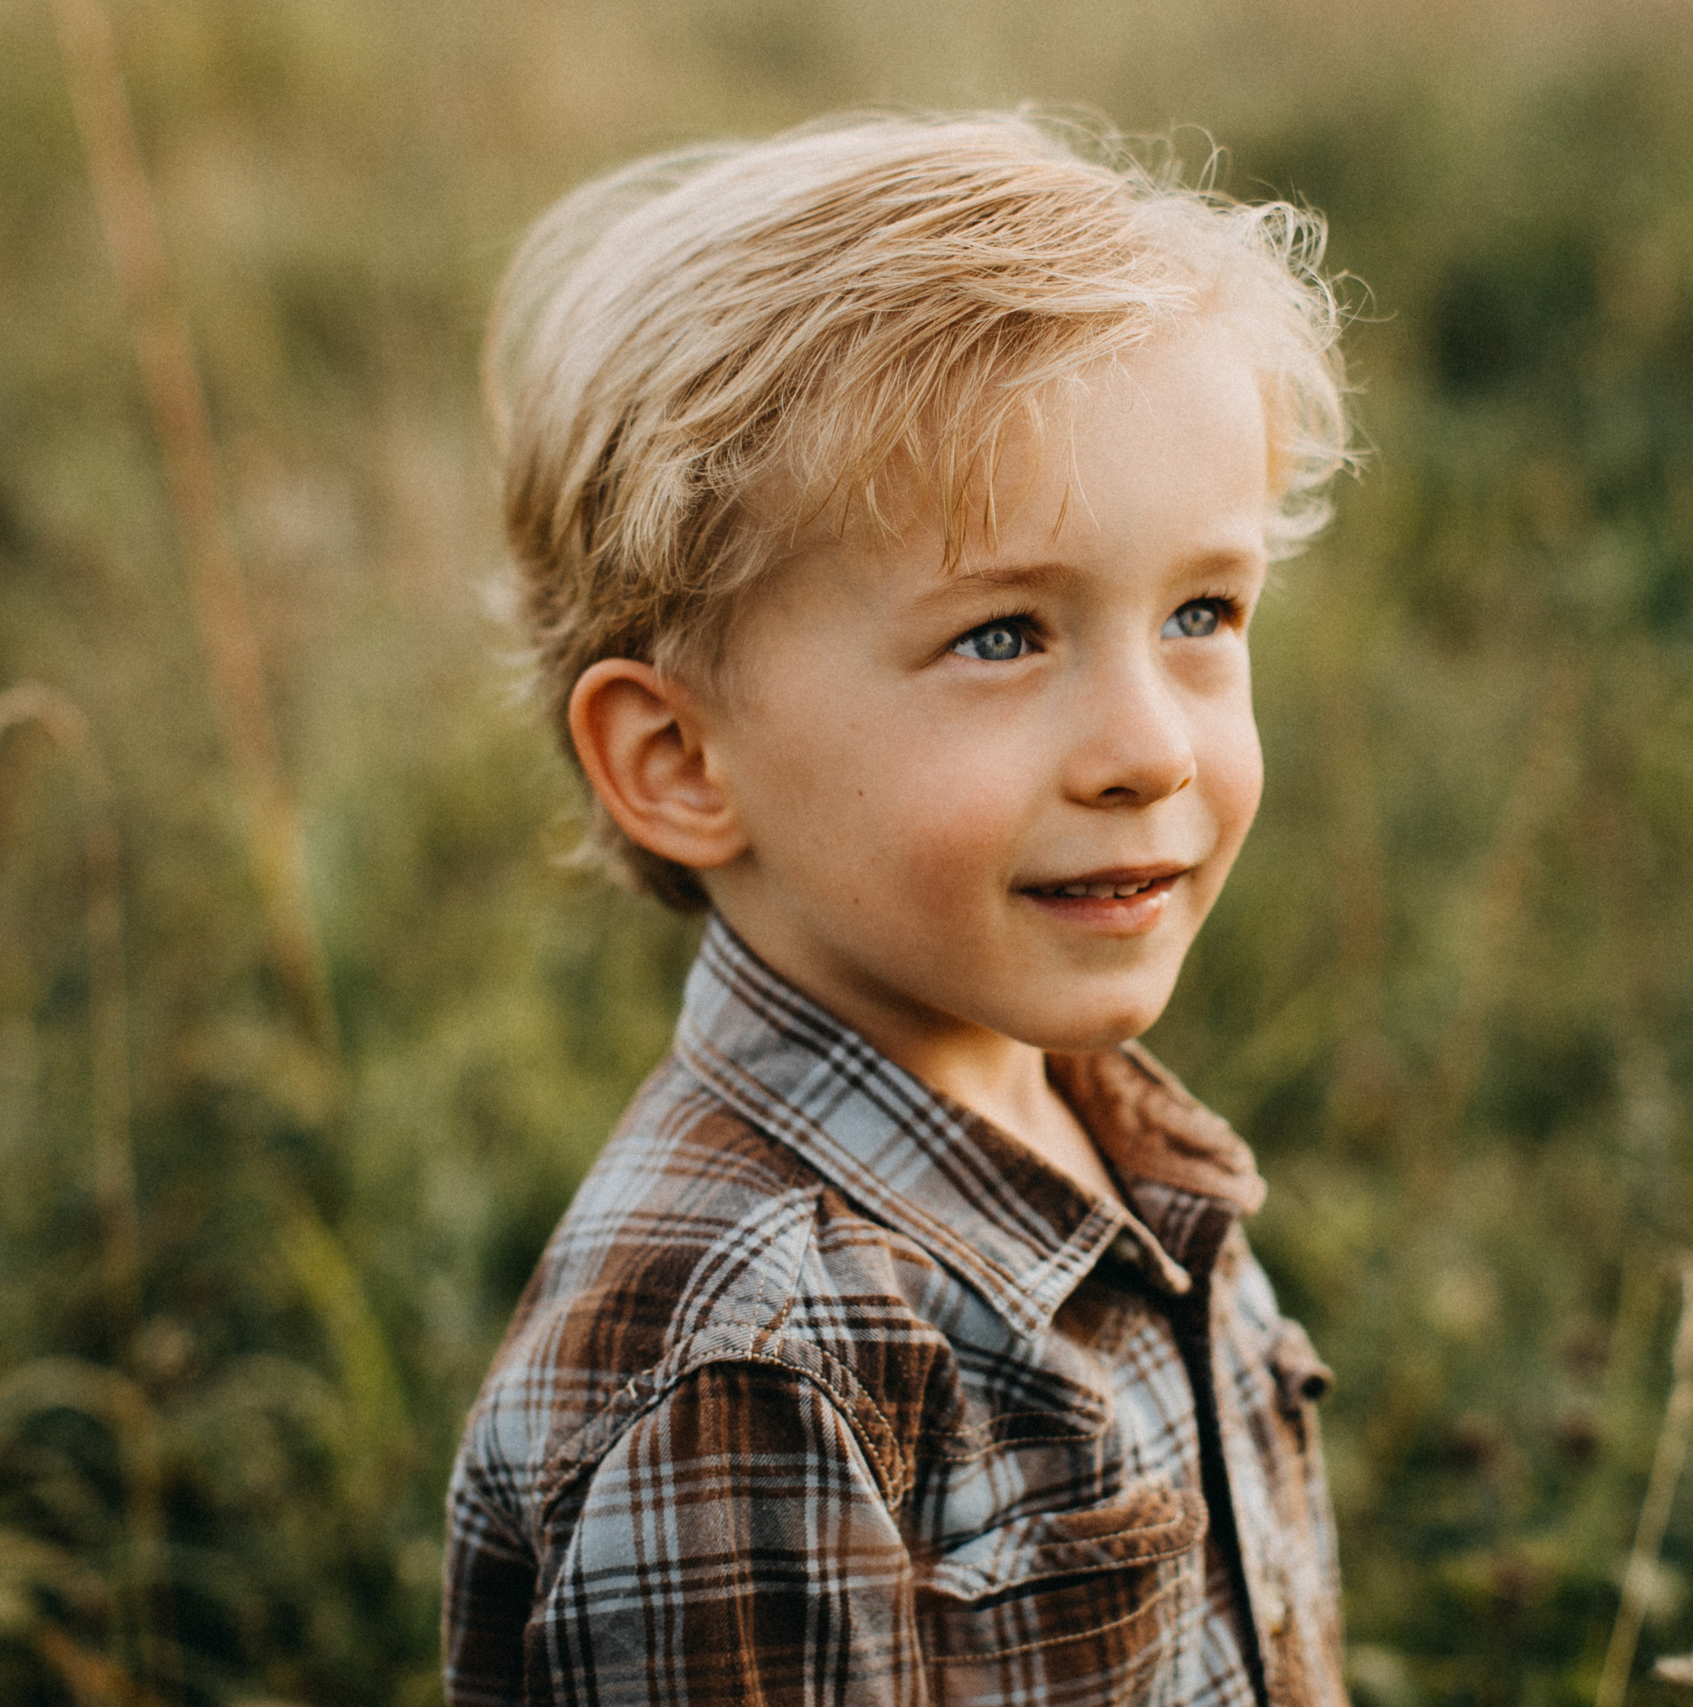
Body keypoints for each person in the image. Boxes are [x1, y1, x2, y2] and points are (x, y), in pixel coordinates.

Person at [442, 111, 1354, 1707]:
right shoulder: (750, 1373)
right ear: (681, 761)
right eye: (1003, 637)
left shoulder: (1089, 1124)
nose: (1150, 748)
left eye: (1203, 612)